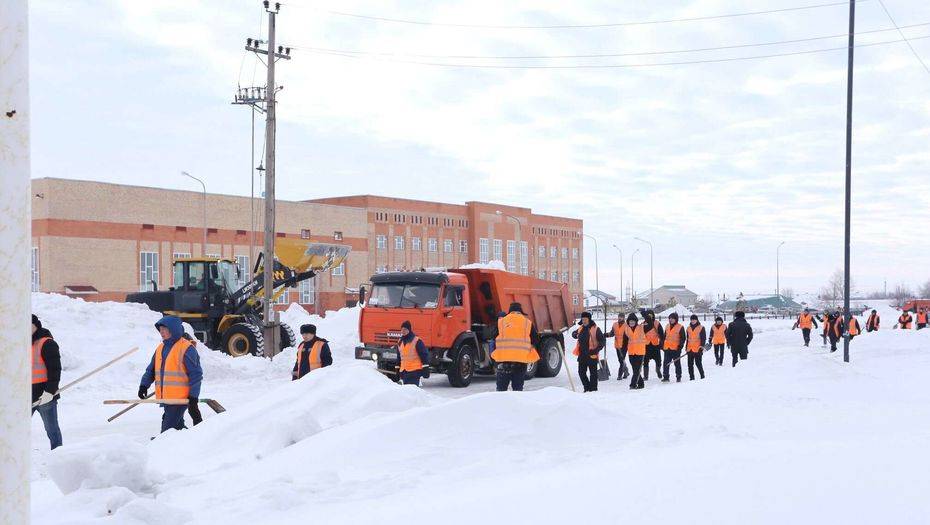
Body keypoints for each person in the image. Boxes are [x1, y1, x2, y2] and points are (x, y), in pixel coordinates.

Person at [139, 316, 203, 433]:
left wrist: (193, 397)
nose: (161, 331)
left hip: (180, 399)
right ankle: (191, 439)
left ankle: (163, 445)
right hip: (167, 398)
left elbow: (196, 375)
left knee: (167, 432)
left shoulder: (187, 348)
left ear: (173, 329)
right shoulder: (160, 348)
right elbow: (151, 370)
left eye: (164, 328)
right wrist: (143, 385)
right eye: (160, 329)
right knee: (177, 428)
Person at [31, 314, 63, 450]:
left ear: (35, 326)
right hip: (25, 396)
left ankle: (58, 455)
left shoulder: (47, 343)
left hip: (45, 397)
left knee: (52, 430)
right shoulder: (20, 345)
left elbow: (54, 370)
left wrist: (49, 392)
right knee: (15, 429)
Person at [493, 302, 541, 392]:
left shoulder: (501, 322)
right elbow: (535, 339)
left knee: (501, 390)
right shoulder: (527, 322)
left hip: (503, 361)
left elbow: (493, 336)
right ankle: (516, 405)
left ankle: (501, 405)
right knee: (518, 390)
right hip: (520, 361)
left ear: (510, 311)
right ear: (521, 311)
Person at [571, 311, 606, 392]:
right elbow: (574, 333)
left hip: (592, 355)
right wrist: (574, 334)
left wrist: (596, 350)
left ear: (589, 319)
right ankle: (587, 388)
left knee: (593, 374)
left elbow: (602, 341)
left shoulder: (595, 329)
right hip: (582, 355)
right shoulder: (581, 328)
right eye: (582, 319)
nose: (584, 321)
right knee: (581, 373)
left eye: (585, 319)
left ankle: (593, 389)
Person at [397, 320, 430, 386]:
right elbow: (399, 357)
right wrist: (397, 369)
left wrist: (426, 367)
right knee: (407, 393)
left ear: (409, 330)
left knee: (412, 392)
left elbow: (424, 355)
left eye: (405, 329)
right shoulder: (400, 341)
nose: (403, 331)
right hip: (404, 371)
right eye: (402, 329)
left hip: (414, 372)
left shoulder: (417, 341)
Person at [619, 313, 647, 390]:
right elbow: (624, 343)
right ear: (628, 321)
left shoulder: (641, 327)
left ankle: (633, 385)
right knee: (635, 370)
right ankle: (641, 384)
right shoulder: (627, 329)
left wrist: (646, 315)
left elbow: (649, 324)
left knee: (637, 369)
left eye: (633, 321)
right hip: (631, 353)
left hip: (640, 352)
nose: (631, 322)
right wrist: (623, 352)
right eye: (630, 321)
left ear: (636, 321)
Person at [661, 313, 685, 383]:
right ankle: (666, 377)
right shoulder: (667, 326)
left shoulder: (680, 327)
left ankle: (678, 376)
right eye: (670, 318)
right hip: (667, 348)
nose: (670, 320)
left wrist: (680, 347)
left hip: (676, 349)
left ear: (676, 319)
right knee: (666, 363)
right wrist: (662, 345)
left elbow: (683, 338)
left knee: (677, 364)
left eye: (672, 318)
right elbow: (664, 336)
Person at [641, 310, 664, 381]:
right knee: (645, 361)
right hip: (646, 345)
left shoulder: (657, 323)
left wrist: (661, 343)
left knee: (658, 361)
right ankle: (646, 376)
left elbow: (661, 334)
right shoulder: (643, 324)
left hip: (655, 345)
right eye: (648, 315)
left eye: (651, 315)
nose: (650, 317)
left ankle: (658, 370)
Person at [685, 315, 707, 380]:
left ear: (697, 320)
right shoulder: (688, 328)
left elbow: (703, 339)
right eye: (691, 319)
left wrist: (701, 347)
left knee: (698, 364)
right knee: (690, 365)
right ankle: (691, 378)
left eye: (694, 319)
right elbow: (688, 339)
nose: (693, 321)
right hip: (690, 349)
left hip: (698, 349)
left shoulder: (701, 328)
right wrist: (686, 348)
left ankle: (702, 376)